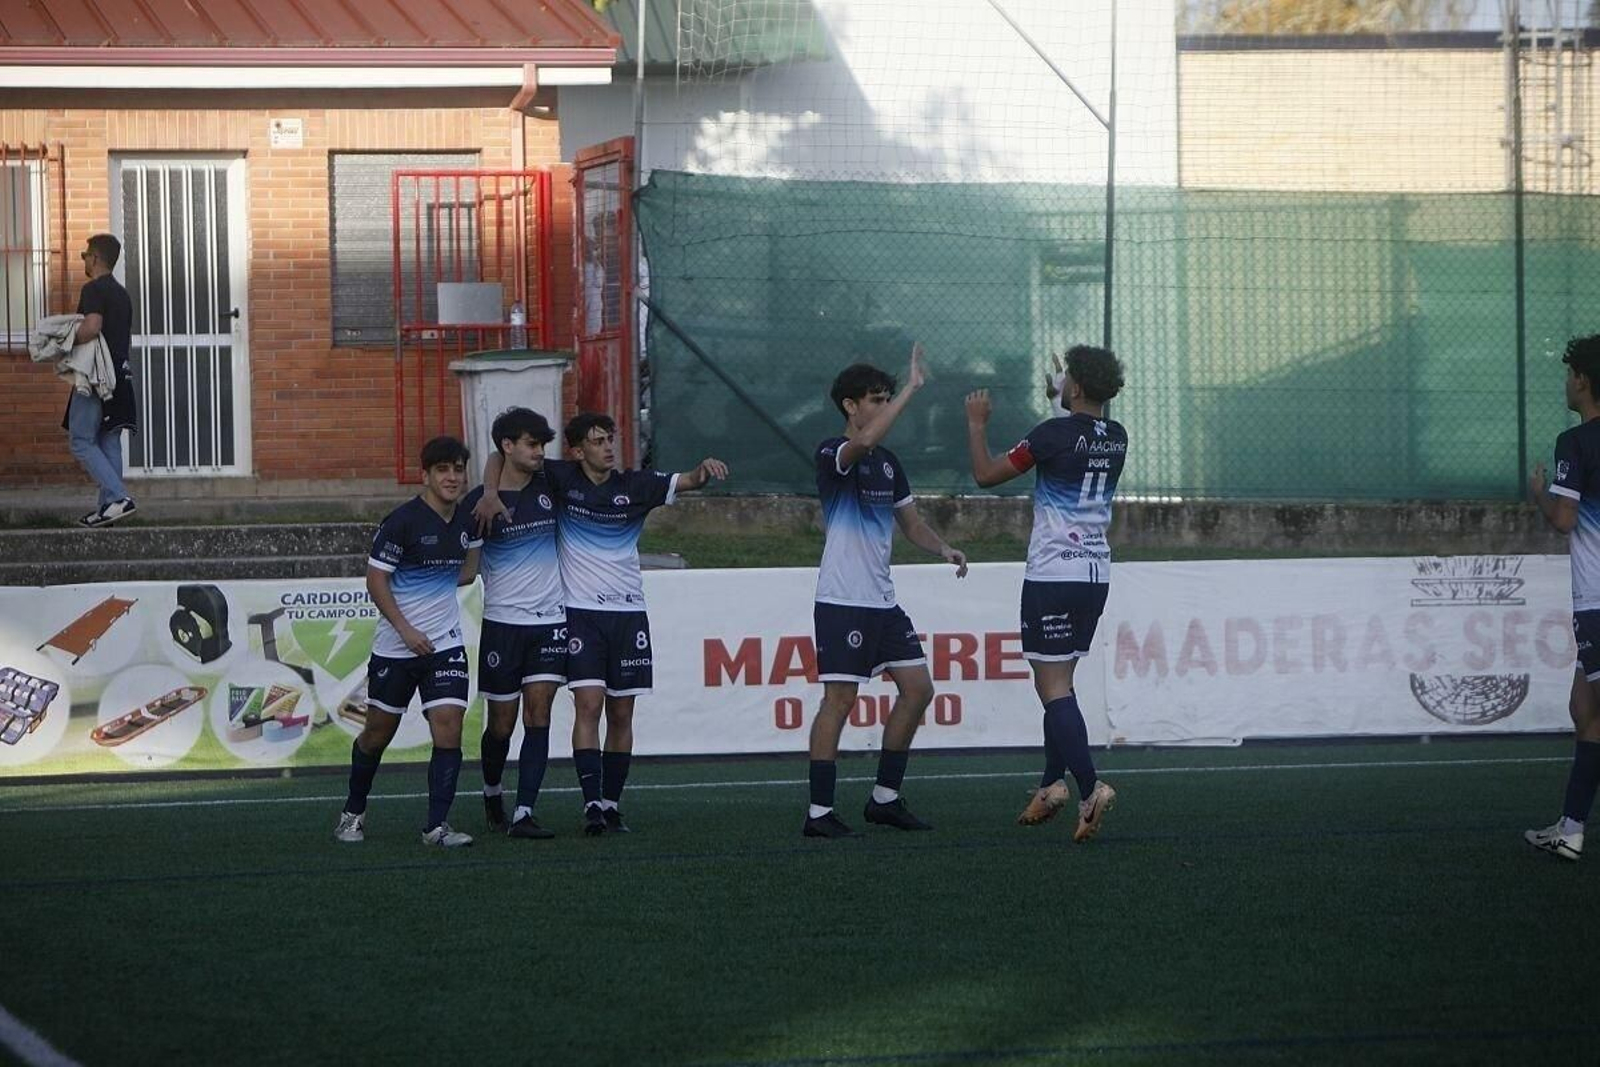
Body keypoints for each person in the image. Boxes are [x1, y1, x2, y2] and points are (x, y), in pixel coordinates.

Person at [476, 414, 728, 835]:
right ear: (577, 451)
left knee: (623, 712)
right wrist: (487, 491)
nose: (609, 447)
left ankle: (611, 805)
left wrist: (702, 471)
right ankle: (590, 803)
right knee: (588, 704)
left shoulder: (635, 485)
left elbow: (686, 481)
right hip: (579, 614)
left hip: (629, 615)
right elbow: (498, 455)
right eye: (598, 441)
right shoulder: (560, 477)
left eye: (611, 439)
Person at [804, 344, 968, 839]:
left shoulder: (889, 464)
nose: (880, 405)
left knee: (918, 690)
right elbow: (866, 440)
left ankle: (885, 799)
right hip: (842, 601)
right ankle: (818, 814)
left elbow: (912, 525)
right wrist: (913, 389)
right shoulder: (834, 454)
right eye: (874, 399)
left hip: (881, 601)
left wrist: (943, 548)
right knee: (839, 700)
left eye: (885, 397)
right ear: (850, 407)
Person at [964, 346, 1126, 843]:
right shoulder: (1116, 436)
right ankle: (1049, 786)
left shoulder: (1050, 434)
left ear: (1074, 387)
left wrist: (977, 423)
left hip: (1054, 572)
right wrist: (1062, 390)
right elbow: (1076, 429)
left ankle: (1088, 788)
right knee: (1062, 685)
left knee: (1051, 687)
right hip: (1095, 571)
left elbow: (986, 475)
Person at [335, 436, 479, 848]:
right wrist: (406, 629)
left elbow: (469, 570)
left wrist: (434, 598)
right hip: (396, 648)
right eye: (442, 470)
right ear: (426, 475)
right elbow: (375, 580)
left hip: (446, 645)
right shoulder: (401, 521)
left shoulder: (468, 522)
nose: (452, 477)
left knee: (449, 728)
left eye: (457, 469)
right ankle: (352, 813)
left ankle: (436, 827)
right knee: (377, 734)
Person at [460, 408, 566, 840]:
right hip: (502, 624)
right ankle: (491, 793)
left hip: (551, 621)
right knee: (501, 724)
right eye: (531, 443)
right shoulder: (480, 504)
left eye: (542, 444)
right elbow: (467, 572)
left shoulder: (553, 484)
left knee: (539, 712)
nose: (540, 451)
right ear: (508, 446)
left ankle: (524, 812)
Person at [1526, 333, 1600, 863]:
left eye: (1570, 371)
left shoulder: (1575, 444)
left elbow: (1564, 520)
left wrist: (1539, 493)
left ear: (1583, 380)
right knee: (1584, 709)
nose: (1566, 380)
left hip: (1597, 602)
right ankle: (1571, 828)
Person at [66, 233, 137, 527]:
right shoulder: (122, 294)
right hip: (120, 377)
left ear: (95, 258)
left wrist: (66, 340)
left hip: (95, 378)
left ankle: (118, 497)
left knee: (81, 440)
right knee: (108, 441)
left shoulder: (93, 289)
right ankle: (108, 511)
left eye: (85, 255)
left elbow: (92, 327)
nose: (84, 260)